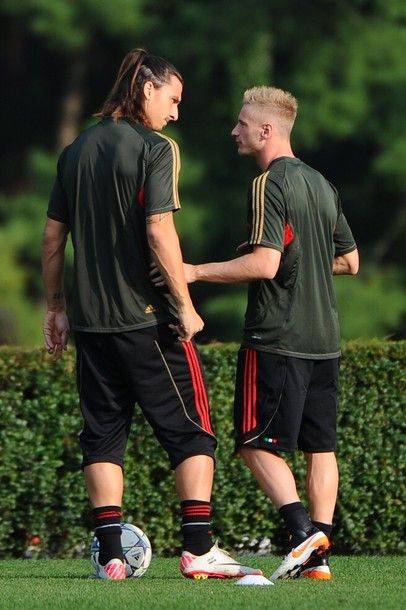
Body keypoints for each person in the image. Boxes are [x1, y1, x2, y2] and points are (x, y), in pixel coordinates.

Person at [41, 49, 262, 581]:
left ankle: (111, 557)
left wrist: (55, 308)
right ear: (146, 89)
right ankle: (198, 548)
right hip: (147, 319)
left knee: (103, 436)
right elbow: (159, 228)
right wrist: (185, 307)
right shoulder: (156, 148)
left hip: (91, 324)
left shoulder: (74, 152)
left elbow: (52, 236)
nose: (176, 112)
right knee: (194, 434)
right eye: (173, 98)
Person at [173, 86, 359, 581]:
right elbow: (350, 260)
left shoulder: (268, 183)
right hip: (326, 340)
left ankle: (302, 533)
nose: (235, 130)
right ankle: (316, 560)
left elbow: (264, 263)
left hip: (277, 335)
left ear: (266, 129)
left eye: (241, 123)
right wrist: (306, 266)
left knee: (254, 443)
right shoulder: (322, 184)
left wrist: (192, 272)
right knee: (322, 448)